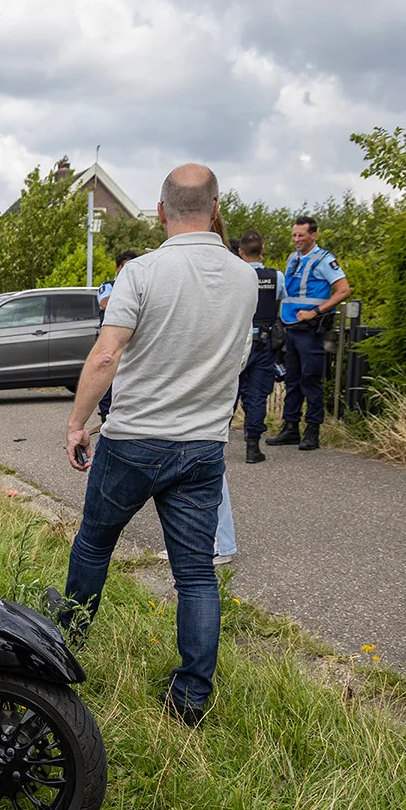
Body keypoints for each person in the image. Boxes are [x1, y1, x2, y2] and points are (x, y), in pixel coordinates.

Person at [61, 163, 256, 726]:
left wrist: (78, 423)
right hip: (201, 447)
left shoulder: (142, 273)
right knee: (195, 574)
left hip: (133, 442)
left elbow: (106, 354)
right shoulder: (245, 278)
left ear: (160, 210)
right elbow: (238, 357)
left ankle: (66, 644)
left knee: (95, 545)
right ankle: (192, 696)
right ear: (217, 209)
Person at [266, 216, 351, 451]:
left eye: (301, 235)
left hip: (311, 329)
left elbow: (343, 290)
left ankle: (313, 430)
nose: (296, 239)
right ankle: (290, 428)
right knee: (292, 380)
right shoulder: (293, 258)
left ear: (314, 235)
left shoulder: (325, 260)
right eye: (294, 235)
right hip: (290, 327)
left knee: (310, 379)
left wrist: (315, 311)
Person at [235, 229, 283, 463]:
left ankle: (212, 445)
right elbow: (281, 301)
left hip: (235, 341)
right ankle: (252, 448)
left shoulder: (232, 275)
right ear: (262, 250)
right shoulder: (277, 277)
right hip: (264, 343)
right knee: (256, 396)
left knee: (227, 392)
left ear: (240, 251)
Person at [95, 250, 139, 422]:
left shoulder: (140, 287)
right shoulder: (108, 286)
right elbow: (106, 304)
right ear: (117, 268)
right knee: (107, 375)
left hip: (132, 341)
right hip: (110, 339)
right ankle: (106, 416)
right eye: (125, 267)